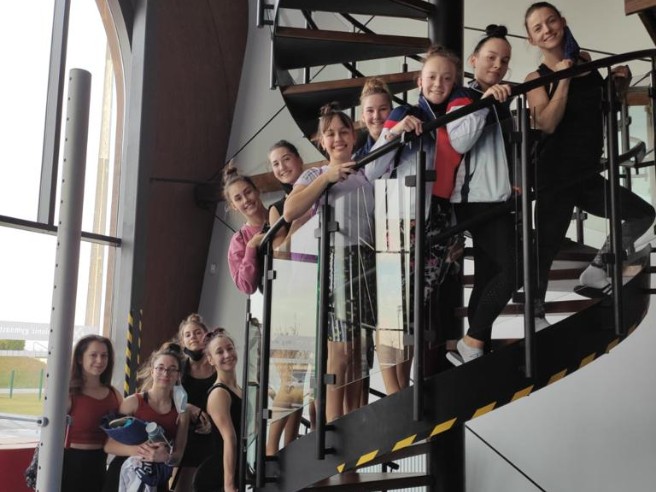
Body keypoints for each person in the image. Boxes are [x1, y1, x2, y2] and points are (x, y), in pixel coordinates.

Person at [524, 2, 655, 319]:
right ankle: (534, 314)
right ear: (532, 39)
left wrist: (618, 86)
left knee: (641, 214)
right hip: (554, 174)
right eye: (538, 28)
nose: (547, 30)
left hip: (586, 172)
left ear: (562, 21)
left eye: (551, 21)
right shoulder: (536, 78)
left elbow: (598, 111)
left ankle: (597, 269)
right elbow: (547, 123)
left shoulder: (585, 61)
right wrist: (564, 78)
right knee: (546, 247)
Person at [365, 45, 462, 391]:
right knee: (392, 310)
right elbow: (372, 171)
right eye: (432, 76)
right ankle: (394, 391)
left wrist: (455, 231)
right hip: (400, 219)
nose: (438, 83)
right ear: (420, 80)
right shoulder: (402, 113)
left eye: (446, 78)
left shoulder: (457, 120)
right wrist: (393, 133)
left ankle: (402, 387)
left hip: (438, 223)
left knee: (410, 311)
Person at [284, 103, 375, 423]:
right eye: (331, 134)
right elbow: (290, 210)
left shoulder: (366, 172)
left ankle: (353, 421)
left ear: (353, 136)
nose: (338, 138)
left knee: (360, 353)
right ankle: (332, 425)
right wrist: (327, 178)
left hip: (367, 261)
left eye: (344, 132)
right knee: (340, 351)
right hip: (337, 261)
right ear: (322, 141)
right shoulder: (314, 174)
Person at [443, 25, 518, 365]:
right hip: (475, 200)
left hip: (497, 197)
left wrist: (512, 180)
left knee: (489, 275)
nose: (498, 65)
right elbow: (460, 142)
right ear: (473, 60)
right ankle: (472, 340)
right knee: (515, 271)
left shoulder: (500, 100)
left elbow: (502, 152)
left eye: (504, 60)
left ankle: (475, 347)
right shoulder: (463, 96)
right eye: (491, 57)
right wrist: (485, 103)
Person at [103, 343, 190, 492]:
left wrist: (165, 457)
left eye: (172, 369)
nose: (165, 373)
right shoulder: (132, 402)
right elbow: (108, 445)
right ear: (152, 371)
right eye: (160, 368)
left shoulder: (183, 411)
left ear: (178, 375)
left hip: (156, 478)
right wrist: (141, 451)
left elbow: (178, 455)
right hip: (125, 475)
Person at [265, 140, 305, 454]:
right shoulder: (279, 207)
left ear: (299, 159)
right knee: (290, 380)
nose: (281, 167)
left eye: (286, 159)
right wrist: (299, 222)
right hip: (289, 298)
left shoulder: (317, 186)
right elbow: (281, 253)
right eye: (276, 164)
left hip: (312, 292)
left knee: (303, 381)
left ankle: (290, 449)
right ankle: (269, 451)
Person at [62, 335, 122, 492]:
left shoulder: (114, 394)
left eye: (104, 356)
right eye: (93, 355)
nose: (99, 360)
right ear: (80, 359)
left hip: (100, 466)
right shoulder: (68, 393)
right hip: (69, 468)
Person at [193, 328, 242, 492]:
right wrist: (229, 486)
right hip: (217, 478)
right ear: (210, 360)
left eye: (230, 348)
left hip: (237, 469)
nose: (227, 354)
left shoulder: (239, 390)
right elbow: (230, 439)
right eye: (219, 352)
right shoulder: (219, 393)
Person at [173, 314, 215, 490]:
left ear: (206, 336)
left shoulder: (217, 365)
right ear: (182, 341)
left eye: (198, 332)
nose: (193, 337)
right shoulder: (179, 367)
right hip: (185, 433)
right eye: (188, 334)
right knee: (181, 486)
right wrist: (188, 407)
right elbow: (166, 395)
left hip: (213, 433)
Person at [224, 162, 270, 295]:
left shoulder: (281, 211)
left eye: (248, 192)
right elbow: (246, 286)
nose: (245, 200)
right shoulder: (239, 240)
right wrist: (251, 246)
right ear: (233, 206)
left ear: (257, 191)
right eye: (238, 199)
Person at [354, 77, 393, 159]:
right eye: (370, 111)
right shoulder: (358, 158)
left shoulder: (407, 143)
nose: (376, 116)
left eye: (382, 109)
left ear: (392, 111)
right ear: (363, 116)